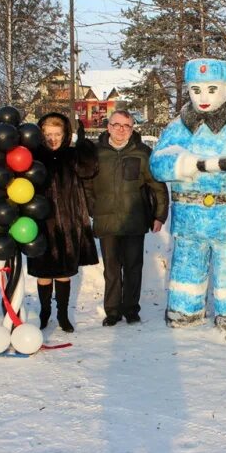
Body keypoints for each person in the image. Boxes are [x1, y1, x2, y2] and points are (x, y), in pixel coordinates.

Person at [150, 58, 226, 330]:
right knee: (186, 265)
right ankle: (185, 310)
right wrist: (182, 164)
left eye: (211, 89)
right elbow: (157, 164)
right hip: (188, 218)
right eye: (196, 90)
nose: (203, 98)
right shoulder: (178, 127)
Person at [86, 110, 169, 326]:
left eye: (126, 126)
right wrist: (92, 208)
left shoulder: (143, 153)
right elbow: (86, 184)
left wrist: (159, 215)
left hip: (134, 220)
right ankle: (112, 311)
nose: (121, 130)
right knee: (112, 269)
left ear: (132, 128)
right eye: (117, 125)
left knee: (133, 267)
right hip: (106, 220)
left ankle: (131, 309)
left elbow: (157, 186)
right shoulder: (95, 153)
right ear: (108, 126)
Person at [27, 112, 98, 332]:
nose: (53, 139)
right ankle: (45, 311)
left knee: (65, 272)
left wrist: (85, 145)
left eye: (57, 134)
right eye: (48, 134)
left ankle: (63, 314)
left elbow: (89, 169)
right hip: (40, 222)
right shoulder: (34, 156)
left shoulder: (71, 155)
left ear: (65, 134)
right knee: (43, 273)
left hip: (68, 220)